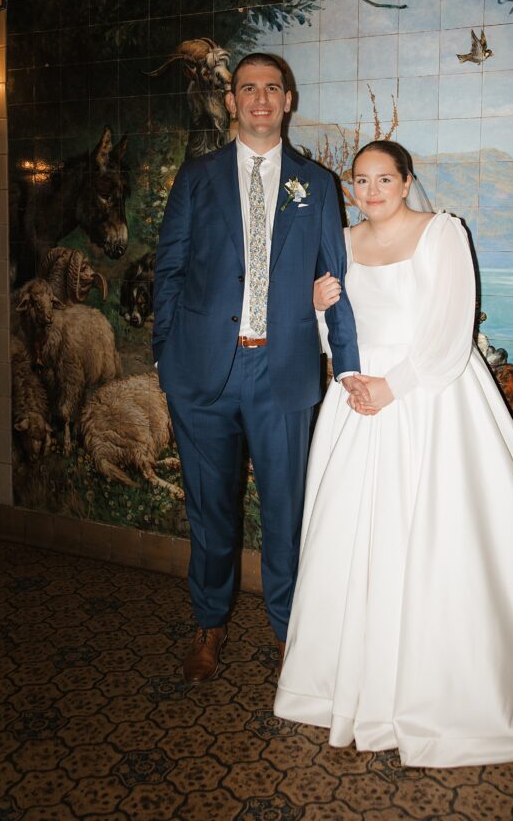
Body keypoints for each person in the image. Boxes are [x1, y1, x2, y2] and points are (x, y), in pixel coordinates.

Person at [274, 140, 513, 768]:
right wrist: (320, 318)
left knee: (436, 542)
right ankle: (352, 687)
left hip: (426, 398)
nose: (371, 192)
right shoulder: (341, 241)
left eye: (384, 180)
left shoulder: (442, 232)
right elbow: (336, 331)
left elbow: (452, 326)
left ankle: (441, 695)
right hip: (356, 400)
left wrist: (392, 388)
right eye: (361, 181)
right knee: (353, 541)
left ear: (405, 182)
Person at [153, 53, 363, 683]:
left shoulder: (316, 183)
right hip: (203, 376)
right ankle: (208, 627)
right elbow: (168, 269)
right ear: (231, 102)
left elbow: (335, 280)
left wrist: (346, 367)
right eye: (249, 88)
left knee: (285, 511)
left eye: (273, 88)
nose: (261, 98)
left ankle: (288, 633)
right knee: (209, 510)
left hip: (286, 371)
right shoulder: (197, 177)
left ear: (288, 100)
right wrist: (168, 357)